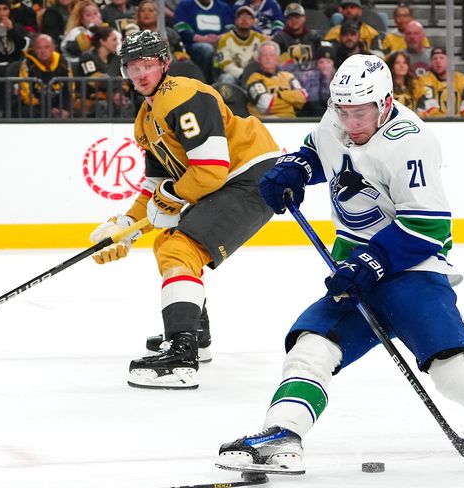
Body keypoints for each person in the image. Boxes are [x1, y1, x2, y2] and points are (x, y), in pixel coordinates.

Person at [216, 54, 464, 472]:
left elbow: (430, 227)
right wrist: (296, 168)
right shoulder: (336, 120)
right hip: (355, 270)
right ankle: (282, 435)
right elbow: (319, 151)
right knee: (311, 347)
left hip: (412, 271)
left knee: (456, 373)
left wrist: (372, 262)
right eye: (343, 110)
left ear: (386, 103)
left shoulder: (411, 142)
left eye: (361, 112)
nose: (351, 122)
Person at [89, 30, 280, 390]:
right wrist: (126, 224)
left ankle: (181, 355)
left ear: (164, 63)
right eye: (132, 67)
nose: (140, 74)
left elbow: (209, 169)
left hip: (253, 176)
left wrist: (173, 196)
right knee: (167, 244)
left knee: (179, 247)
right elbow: (156, 186)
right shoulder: (146, 119)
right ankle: (194, 335)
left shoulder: (183, 96)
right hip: (232, 181)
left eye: (147, 65)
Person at [77, 25, 133, 117]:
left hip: (114, 96)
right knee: (103, 106)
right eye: (114, 40)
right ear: (102, 41)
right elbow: (93, 80)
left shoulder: (116, 59)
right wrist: (116, 84)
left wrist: (119, 92)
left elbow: (124, 81)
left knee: (127, 103)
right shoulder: (87, 57)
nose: (117, 43)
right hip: (89, 98)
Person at [173, 0, 235, 83]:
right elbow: (181, 28)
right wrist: (204, 39)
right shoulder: (185, 5)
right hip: (194, 46)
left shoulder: (224, 7)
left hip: (221, 44)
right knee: (207, 49)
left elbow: (231, 29)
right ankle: (207, 82)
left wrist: (219, 38)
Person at [244, 40, 307, 117]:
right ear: (259, 59)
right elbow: (265, 105)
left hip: (291, 120)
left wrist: (279, 95)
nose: (268, 58)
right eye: (264, 55)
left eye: (271, 55)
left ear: (277, 59)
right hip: (266, 120)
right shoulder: (254, 78)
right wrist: (292, 106)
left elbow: (302, 97)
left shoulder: (289, 76)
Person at [18, 33, 72, 118]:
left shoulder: (64, 64)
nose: (43, 51)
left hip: (59, 106)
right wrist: (48, 110)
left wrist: (64, 109)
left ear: (54, 48)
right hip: (36, 107)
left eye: (47, 47)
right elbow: (26, 95)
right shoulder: (28, 65)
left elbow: (69, 91)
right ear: (34, 49)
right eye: (39, 48)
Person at [417, 46, 464, 118]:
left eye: (441, 58)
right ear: (431, 62)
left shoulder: (461, 79)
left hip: (457, 123)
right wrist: (446, 123)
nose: (438, 61)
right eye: (434, 59)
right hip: (434, 124)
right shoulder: (425, 79)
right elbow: (430, 108)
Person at [214, 5, 266, 84]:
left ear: (253, 21)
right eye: (241, 16)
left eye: (248, 17)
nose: (244, 19)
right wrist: (243, 74)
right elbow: (224, 64)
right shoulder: (225, 39)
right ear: (235, 21)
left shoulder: (261, 39)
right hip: (234, 75)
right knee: (227, 79)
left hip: (256, 75)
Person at [272, 2, 324, 68]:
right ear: (285, 20)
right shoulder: (279, 39)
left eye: (297, 17)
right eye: (290, 18)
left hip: (313, 72)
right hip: (287, 74)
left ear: (304, 18)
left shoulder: (315, 37)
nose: (294, 20)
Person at [60, 0, 105, 65]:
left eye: (95, 13)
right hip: (75, 67)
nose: (94, 17)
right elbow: (82, 46)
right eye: (88, 15)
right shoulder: (75, 32)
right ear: (80, 18)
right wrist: (92, 29)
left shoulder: (102, 30)